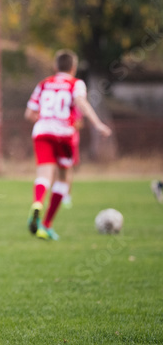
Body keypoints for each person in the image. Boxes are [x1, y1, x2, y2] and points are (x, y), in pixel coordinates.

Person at [26, 49, 112, 240]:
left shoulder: (44, 84)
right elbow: (81, 102)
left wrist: (46, 119)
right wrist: (97, 124)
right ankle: (46, 224)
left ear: (55, 66)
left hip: (42, 131)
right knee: (64, 177)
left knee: (44, 175)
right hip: (64, 134)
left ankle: (38, 202)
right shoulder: (76, 84)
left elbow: (29, 114)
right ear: (73, 68)